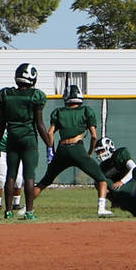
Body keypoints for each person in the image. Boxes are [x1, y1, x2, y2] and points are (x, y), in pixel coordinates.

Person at [35, 85, 113, 217]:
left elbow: (50, 133)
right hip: (77, 148)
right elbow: (94, 136)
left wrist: (51, 151)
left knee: (44, 182)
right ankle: (101, 208)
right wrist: (89, 152)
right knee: (101, 179)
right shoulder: (86, 111)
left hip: (62, 149)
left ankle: (26, 207)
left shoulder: (59, 112)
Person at [0, 63, 53, 221]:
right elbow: (40, 125)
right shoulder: (36, 96)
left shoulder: (6, 94)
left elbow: (2, 123)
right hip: (28, 139)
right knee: (29, 176)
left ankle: (8, 211)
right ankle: (29, 211)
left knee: (10, 175)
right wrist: (49, 144)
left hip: (12, 138)